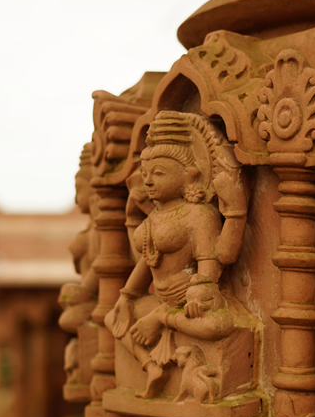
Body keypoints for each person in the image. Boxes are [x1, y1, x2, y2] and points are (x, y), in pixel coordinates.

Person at [105, 111, 248, 398]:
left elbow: (211, 268)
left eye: (158, 173)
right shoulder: (154, 218)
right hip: (161, 299)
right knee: (113, 317)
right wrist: (126, 296)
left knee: (219, 325)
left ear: (190, 174)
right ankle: (150, 366)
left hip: (190, 304)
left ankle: (163, 321)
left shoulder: (199, 215)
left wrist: (193, 296)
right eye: (145, 174)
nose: (148, 181)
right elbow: (148, 261)